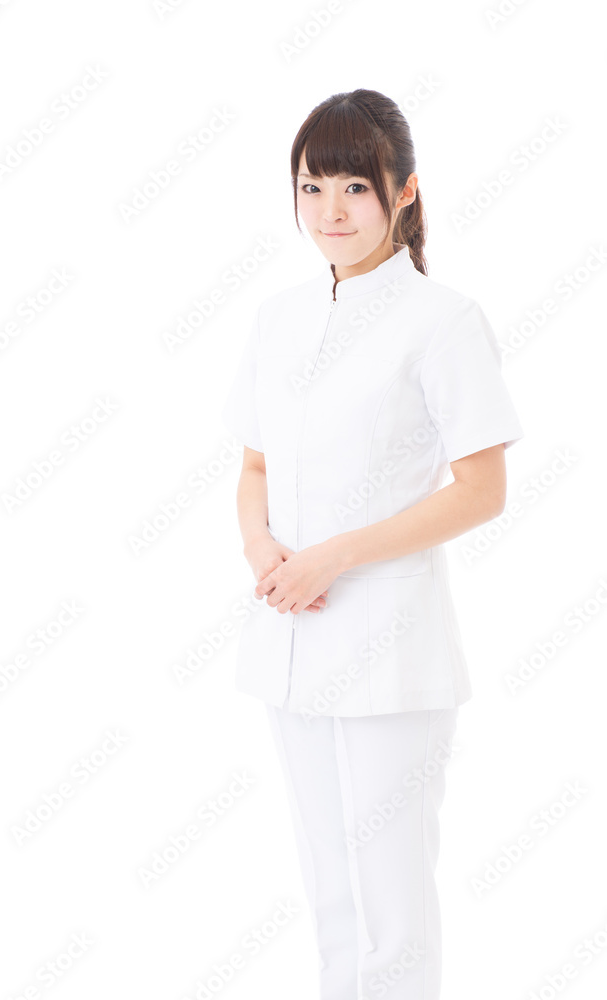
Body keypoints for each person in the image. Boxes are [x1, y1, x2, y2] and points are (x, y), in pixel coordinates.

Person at [220, 89, 525, 1000]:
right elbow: (253, 465)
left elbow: (482, 491)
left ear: (404, 192)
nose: (332, 210)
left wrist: (335, 555)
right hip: (290, 637)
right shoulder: (277, 318)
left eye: (356, 186)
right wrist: (261, 550)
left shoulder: (442, 320)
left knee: (391, 911)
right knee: (332, 900)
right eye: (311, 187)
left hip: (389, 649)